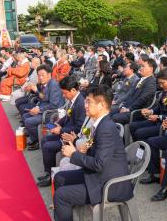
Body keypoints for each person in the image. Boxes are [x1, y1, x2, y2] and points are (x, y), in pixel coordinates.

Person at [53, 85, 133, 221]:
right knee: (59, 177)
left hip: (109, 184)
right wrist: (86, 149)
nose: (85, 105)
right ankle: (64, 210)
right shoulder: (101, 123)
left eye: (88, 102)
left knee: (61, 195)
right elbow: (99, 151)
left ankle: (63, 205)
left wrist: (73, 154)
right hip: (101, 176)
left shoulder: (105, 128)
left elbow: (99, 164)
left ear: (101, 105)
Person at [37, 76, 86, 187]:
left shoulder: (81, 104)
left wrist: (61, 130)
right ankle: (49, 171)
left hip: (72, 137)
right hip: (67, 132)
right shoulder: (74, 100)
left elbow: (79, 127)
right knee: (45, 140)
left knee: (48, 146)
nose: (64, 96)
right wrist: (60, 122)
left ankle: (50, 175)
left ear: (73, 90)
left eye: (65, 93)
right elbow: (68, 115)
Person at [22, 65, 65, 150]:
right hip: (45, 109)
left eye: (43, 75)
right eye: (39, 75)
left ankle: (36, 142)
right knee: (25, 116)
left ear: (49, 75)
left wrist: (39, 109)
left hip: (52, 113)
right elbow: (44, 99)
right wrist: (37, 107)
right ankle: (34, 137)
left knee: (29, 121)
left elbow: (54, 105)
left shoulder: (53, 85)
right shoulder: (44, 84)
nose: (40, 77)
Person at [130, 68, 167, 142]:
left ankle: (144, 150)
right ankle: (137, 148)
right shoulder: (165, 91)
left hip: (165, 124)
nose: (161, 86)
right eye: (159, 83)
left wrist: (159, 117)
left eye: (162, 83)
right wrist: (150, 111)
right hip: (157, 121)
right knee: (132, 126)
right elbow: (159, 107)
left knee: (140, 133)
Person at [111, 58, 157, 125]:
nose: (140, 68)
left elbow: (142, 100)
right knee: (107, 113)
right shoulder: (139, 80)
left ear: (151, 69)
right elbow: (129, 94)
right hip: (127, 107)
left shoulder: (151, 83)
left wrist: (128, 109)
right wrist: (124, 106)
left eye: (143, 66)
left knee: (114, 118)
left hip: (137, 112)